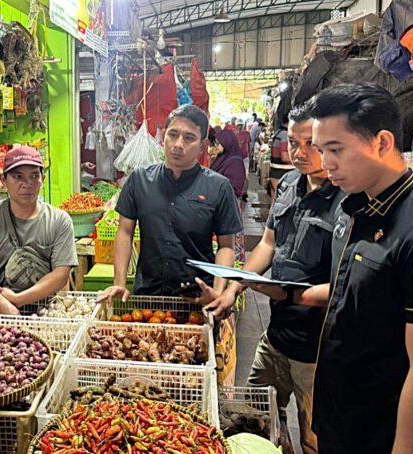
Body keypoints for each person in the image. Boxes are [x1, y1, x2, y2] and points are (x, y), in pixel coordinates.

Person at [251, 84, 413, 454]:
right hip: (340, 416)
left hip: (382, 439)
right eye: (321, 150)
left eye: (334, 149)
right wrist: (287, 294)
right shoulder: (355, 211)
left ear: (382, 142)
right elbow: (347, 292)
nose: (325, 161)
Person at [209, 104, 344, 454]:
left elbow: (347, 285)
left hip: (316, 350)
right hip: (276, 335)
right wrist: (236, 286)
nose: (299, 152)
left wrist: (287, 293)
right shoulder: (287, 185)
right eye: (293, 142)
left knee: (316, 438)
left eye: (310, 143)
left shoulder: (348, 200)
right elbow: (269, 243)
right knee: (255, 417)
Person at [98, 104, 243, 310]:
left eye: (189, 138)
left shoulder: (219, 187)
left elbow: (226, 246)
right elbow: (124, 231)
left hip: (197, 296)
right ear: (163, 136)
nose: (178, 144)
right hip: (148, 294)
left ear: (202, 146)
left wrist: (218, 292)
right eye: (173, 135)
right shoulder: (139, 180)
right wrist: (120, 282)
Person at [0, 145, 78, 315]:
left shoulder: (59, 221)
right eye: (18, 177)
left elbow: (61, 273)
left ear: (42, 179)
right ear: (3, 180)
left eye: (34, 176)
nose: (27, 184)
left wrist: (18, 299)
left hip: (45, 312)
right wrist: (0, 303)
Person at [210, 129, 248, 264]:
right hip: (219, 206)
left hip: (229, 207)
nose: (216, 146)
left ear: (227, 142)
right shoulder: (222, 159)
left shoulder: (235, 162)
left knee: (229, 242)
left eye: (218, 143)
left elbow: (235, 188)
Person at [268, 119, 294, 200]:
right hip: (283, 171)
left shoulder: (278, 132)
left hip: (275, 171)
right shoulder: (285, 135)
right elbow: (285, 157)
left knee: (274, 200)